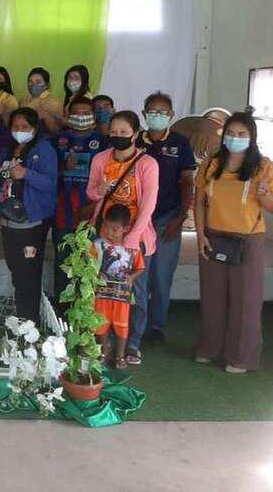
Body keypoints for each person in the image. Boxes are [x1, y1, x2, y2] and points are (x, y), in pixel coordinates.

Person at [194, 111, 273, 373]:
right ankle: (209, 349)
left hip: (248, 239)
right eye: (230, 133)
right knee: (213, 297)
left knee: (246, 300)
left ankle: (240, 357)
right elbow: (199, 202)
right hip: (213, 236)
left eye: (242, 134)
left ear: (252, 137)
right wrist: (200, 235)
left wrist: (264, 194)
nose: (235, 138)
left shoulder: (264, 167)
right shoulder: (211, 164)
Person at [86, 110, 159, 366]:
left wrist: (132, 239)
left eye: (124, 132)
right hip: (105, 236)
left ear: (135, 134)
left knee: (134, 292)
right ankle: (102, 344)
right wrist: (99, 190)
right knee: (102, 291)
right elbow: (91, 193)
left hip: (135, 238)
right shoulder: (100, 159)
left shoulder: (147, 164)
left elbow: (149, 204)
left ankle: (132, 345)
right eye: (114, 131)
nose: (118, 135)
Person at [137, 91, 197, 344]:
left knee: (162, 276)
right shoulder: (135, 140)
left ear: (171, 115)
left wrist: (180, 217)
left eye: (163, 112)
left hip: (168, 219)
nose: (157, 116)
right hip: (139, 221)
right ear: (144, 114)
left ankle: (156, 326)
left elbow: (187, 182)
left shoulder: (180, 143)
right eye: (152, 112)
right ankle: (136, 327)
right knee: (138, 276)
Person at [0, 108, 58, 322]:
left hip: (31, 221)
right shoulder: (7, 150)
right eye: (15, 127)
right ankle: (23, 316)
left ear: (35, 128)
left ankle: (29, 322)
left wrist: (26, 174)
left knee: (28, 272)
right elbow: (0, 181)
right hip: (8, 218)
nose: (19, 130)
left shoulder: (44, 149)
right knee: (16, 269)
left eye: (25, 127)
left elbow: (50, 183)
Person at [52, 96, 106, 311]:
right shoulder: (58, 140)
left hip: (92, 214)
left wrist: (95, 206)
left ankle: (86, 311)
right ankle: (62, 311)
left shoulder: (104, 142)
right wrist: (63, 168)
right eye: (76, 113)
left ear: (93, 117)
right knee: (63, 262)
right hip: (63, 212)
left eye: (86, 113)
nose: (81, 117)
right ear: (68, 116)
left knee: (89, 263)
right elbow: (47, 174)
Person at [92, 204, 146, 369]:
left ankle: (120, 356)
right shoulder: (98, 245)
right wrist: (96, 274)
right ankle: (103, 352)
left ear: (126, 229)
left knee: (121, 325)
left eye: (114, 229)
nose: (109, 232)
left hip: (122, 296)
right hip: (102, 294)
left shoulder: (132, 248)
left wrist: (131, 277)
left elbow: (140, 267)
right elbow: (89, 264)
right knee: (100, 323)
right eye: (106, 227)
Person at [20, 67, 64, 134]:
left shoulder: (54, 102)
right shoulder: (23, 100)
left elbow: (57, 130)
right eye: (30, 82)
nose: (33, 85)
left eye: (38, 82)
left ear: (46, 85)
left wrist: (45, 116)